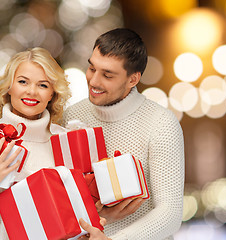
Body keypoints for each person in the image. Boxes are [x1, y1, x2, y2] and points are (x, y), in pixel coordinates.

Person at [64, 28, 185, 239]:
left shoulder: (161, 123)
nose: (93, 81)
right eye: (92, 68)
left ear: (133, 79)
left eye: (107, 75)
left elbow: (170, 212)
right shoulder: (71, 116)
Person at [0, 47, 71, 239]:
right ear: (9, 87)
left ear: (52, 93)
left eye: (43, 85)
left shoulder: (65, 141)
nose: (32, 91)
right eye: (22, 82)